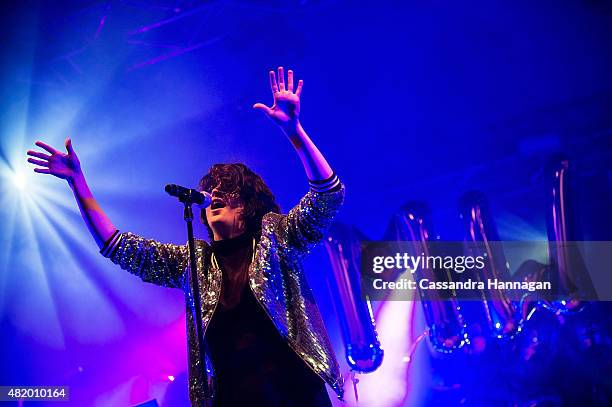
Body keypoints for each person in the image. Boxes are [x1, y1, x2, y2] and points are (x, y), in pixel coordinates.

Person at [27, 67, 345, 406]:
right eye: (210, 189)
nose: (214, 193)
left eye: (228, 188)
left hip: (294, 394)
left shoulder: (275, 237)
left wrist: (294, 132)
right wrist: (78, 182)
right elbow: (117, 246)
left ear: (248, 203)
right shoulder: (194, 263)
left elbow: (328, 196)